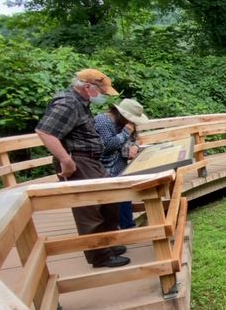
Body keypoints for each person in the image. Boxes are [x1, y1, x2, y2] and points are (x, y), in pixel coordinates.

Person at [35, 69, 130, 268]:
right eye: (102, 91)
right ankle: (100, 256)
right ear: (88, 87)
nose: (103, 96)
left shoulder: (81, 103)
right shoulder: (68, 102)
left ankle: (108, 244)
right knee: (89, 209)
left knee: (109, 201)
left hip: (92, 161)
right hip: (79, 161)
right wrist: (66, 160)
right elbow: (44, 131)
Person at [95, 99, 149, 229]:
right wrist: (126, 132)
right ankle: (119, 230)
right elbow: (108, 145)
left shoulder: (124, 123)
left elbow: (133, 139)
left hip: (121, 168)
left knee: (126, 198)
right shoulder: (103, 121)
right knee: (114, 203)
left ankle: (128, 227)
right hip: (105, 169)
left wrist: (134, 146)